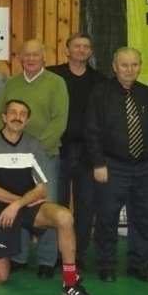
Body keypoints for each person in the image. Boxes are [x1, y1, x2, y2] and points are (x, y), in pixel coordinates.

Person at [0, 100, 94, 295]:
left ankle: (70, 282)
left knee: (64, 217)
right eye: (12, 112)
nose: (17, 116)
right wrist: (19, 203)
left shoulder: (33, 144)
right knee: (0, 279)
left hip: (26, 207)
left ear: (27, 120)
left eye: (22, 114)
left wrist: (17, 205)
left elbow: (42, 188)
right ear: (4, 117)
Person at [0, 39, 68, 278]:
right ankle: (19, 256)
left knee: (47, 205)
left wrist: (34, 150)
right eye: (27, 55)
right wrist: (6, 146)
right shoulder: (12, 83)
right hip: (15, 159)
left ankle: (46, 260)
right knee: (18, 202)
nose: (31, 59)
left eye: (36, 54)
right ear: (20, 57)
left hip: (45, 156)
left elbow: (59, 121)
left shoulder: (56, 83)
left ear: (44, 57)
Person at [85, 47, 148, 283]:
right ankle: (107, 264)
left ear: (140, 66)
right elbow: (92, 130)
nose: (130, 69)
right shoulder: (101, 93)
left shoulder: (147, 94)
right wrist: (98, 163)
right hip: (111, 164)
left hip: (142, 167)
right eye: (125, 65)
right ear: (115, 67)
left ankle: (139, 264)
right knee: (107, 217)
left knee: (142, 217)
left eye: (134, 65)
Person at [47, 33, 106, 268]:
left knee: (85, 207)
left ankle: (77, 254)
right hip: (57, 149)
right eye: (77, 46)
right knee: (55, 205)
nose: (81, 50)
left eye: (86, 47)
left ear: (90, 52)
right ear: (67, 51)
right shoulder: (53, 76)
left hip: (87, 152)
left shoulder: (100, 81)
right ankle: (53, 255)